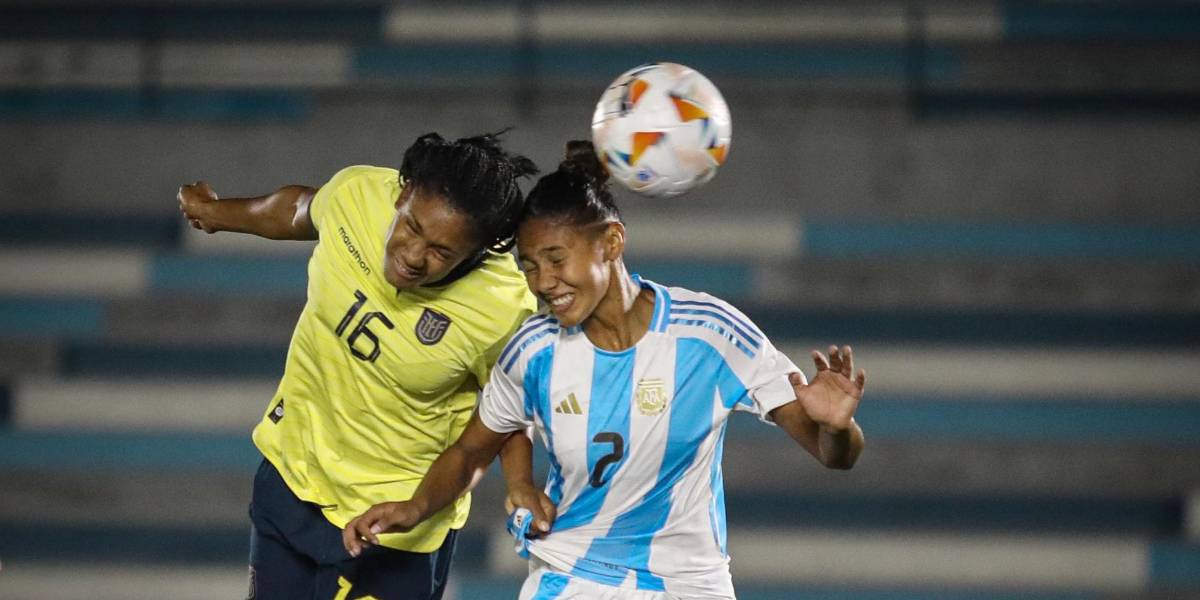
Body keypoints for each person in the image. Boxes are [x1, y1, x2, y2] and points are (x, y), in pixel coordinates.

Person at [342, 141, 866, 599]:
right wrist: (415, 508)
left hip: (688, 583)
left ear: (611, 243)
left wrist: (839, 429)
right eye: (529, 266)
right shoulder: (532, 351)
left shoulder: (709, 333)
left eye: (555, 259)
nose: (543, 281)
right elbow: (469, 451)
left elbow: (831, 456)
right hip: (572, 576)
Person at [177, 132, 542, 600]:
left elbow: (507, 415)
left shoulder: (502, 310)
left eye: (442, 252)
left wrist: (520, 484)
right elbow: (297, 211)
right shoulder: (359, 195)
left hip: (390, 525)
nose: (413, 255)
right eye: (410, 226)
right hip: (293, 478)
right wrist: (215, 213)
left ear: (479, 251)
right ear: (402, 191)